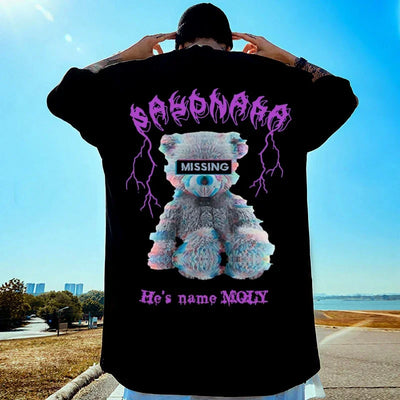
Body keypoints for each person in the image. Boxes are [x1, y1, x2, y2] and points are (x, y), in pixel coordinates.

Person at [47, 3, 358, 400]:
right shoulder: (277, 81)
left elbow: (65, 95)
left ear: (176, 43)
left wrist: (125, 57)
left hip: (155, 352)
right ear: (231, 44)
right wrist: (288, 59)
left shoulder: (128, 82)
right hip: (263, 352)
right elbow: (340, 94)